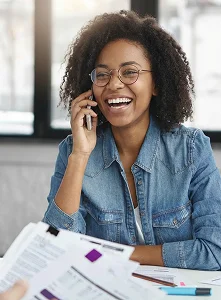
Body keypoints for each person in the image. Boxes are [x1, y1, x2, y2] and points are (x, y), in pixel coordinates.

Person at [43, 10, 221, 270]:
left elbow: (214, 251)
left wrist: (118, 255)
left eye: (129, 72)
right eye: (102, 74)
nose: (114, 84)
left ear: (156, 84)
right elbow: (54, 249)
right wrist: (80, 156)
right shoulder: (74, 151)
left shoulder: (191, 149)